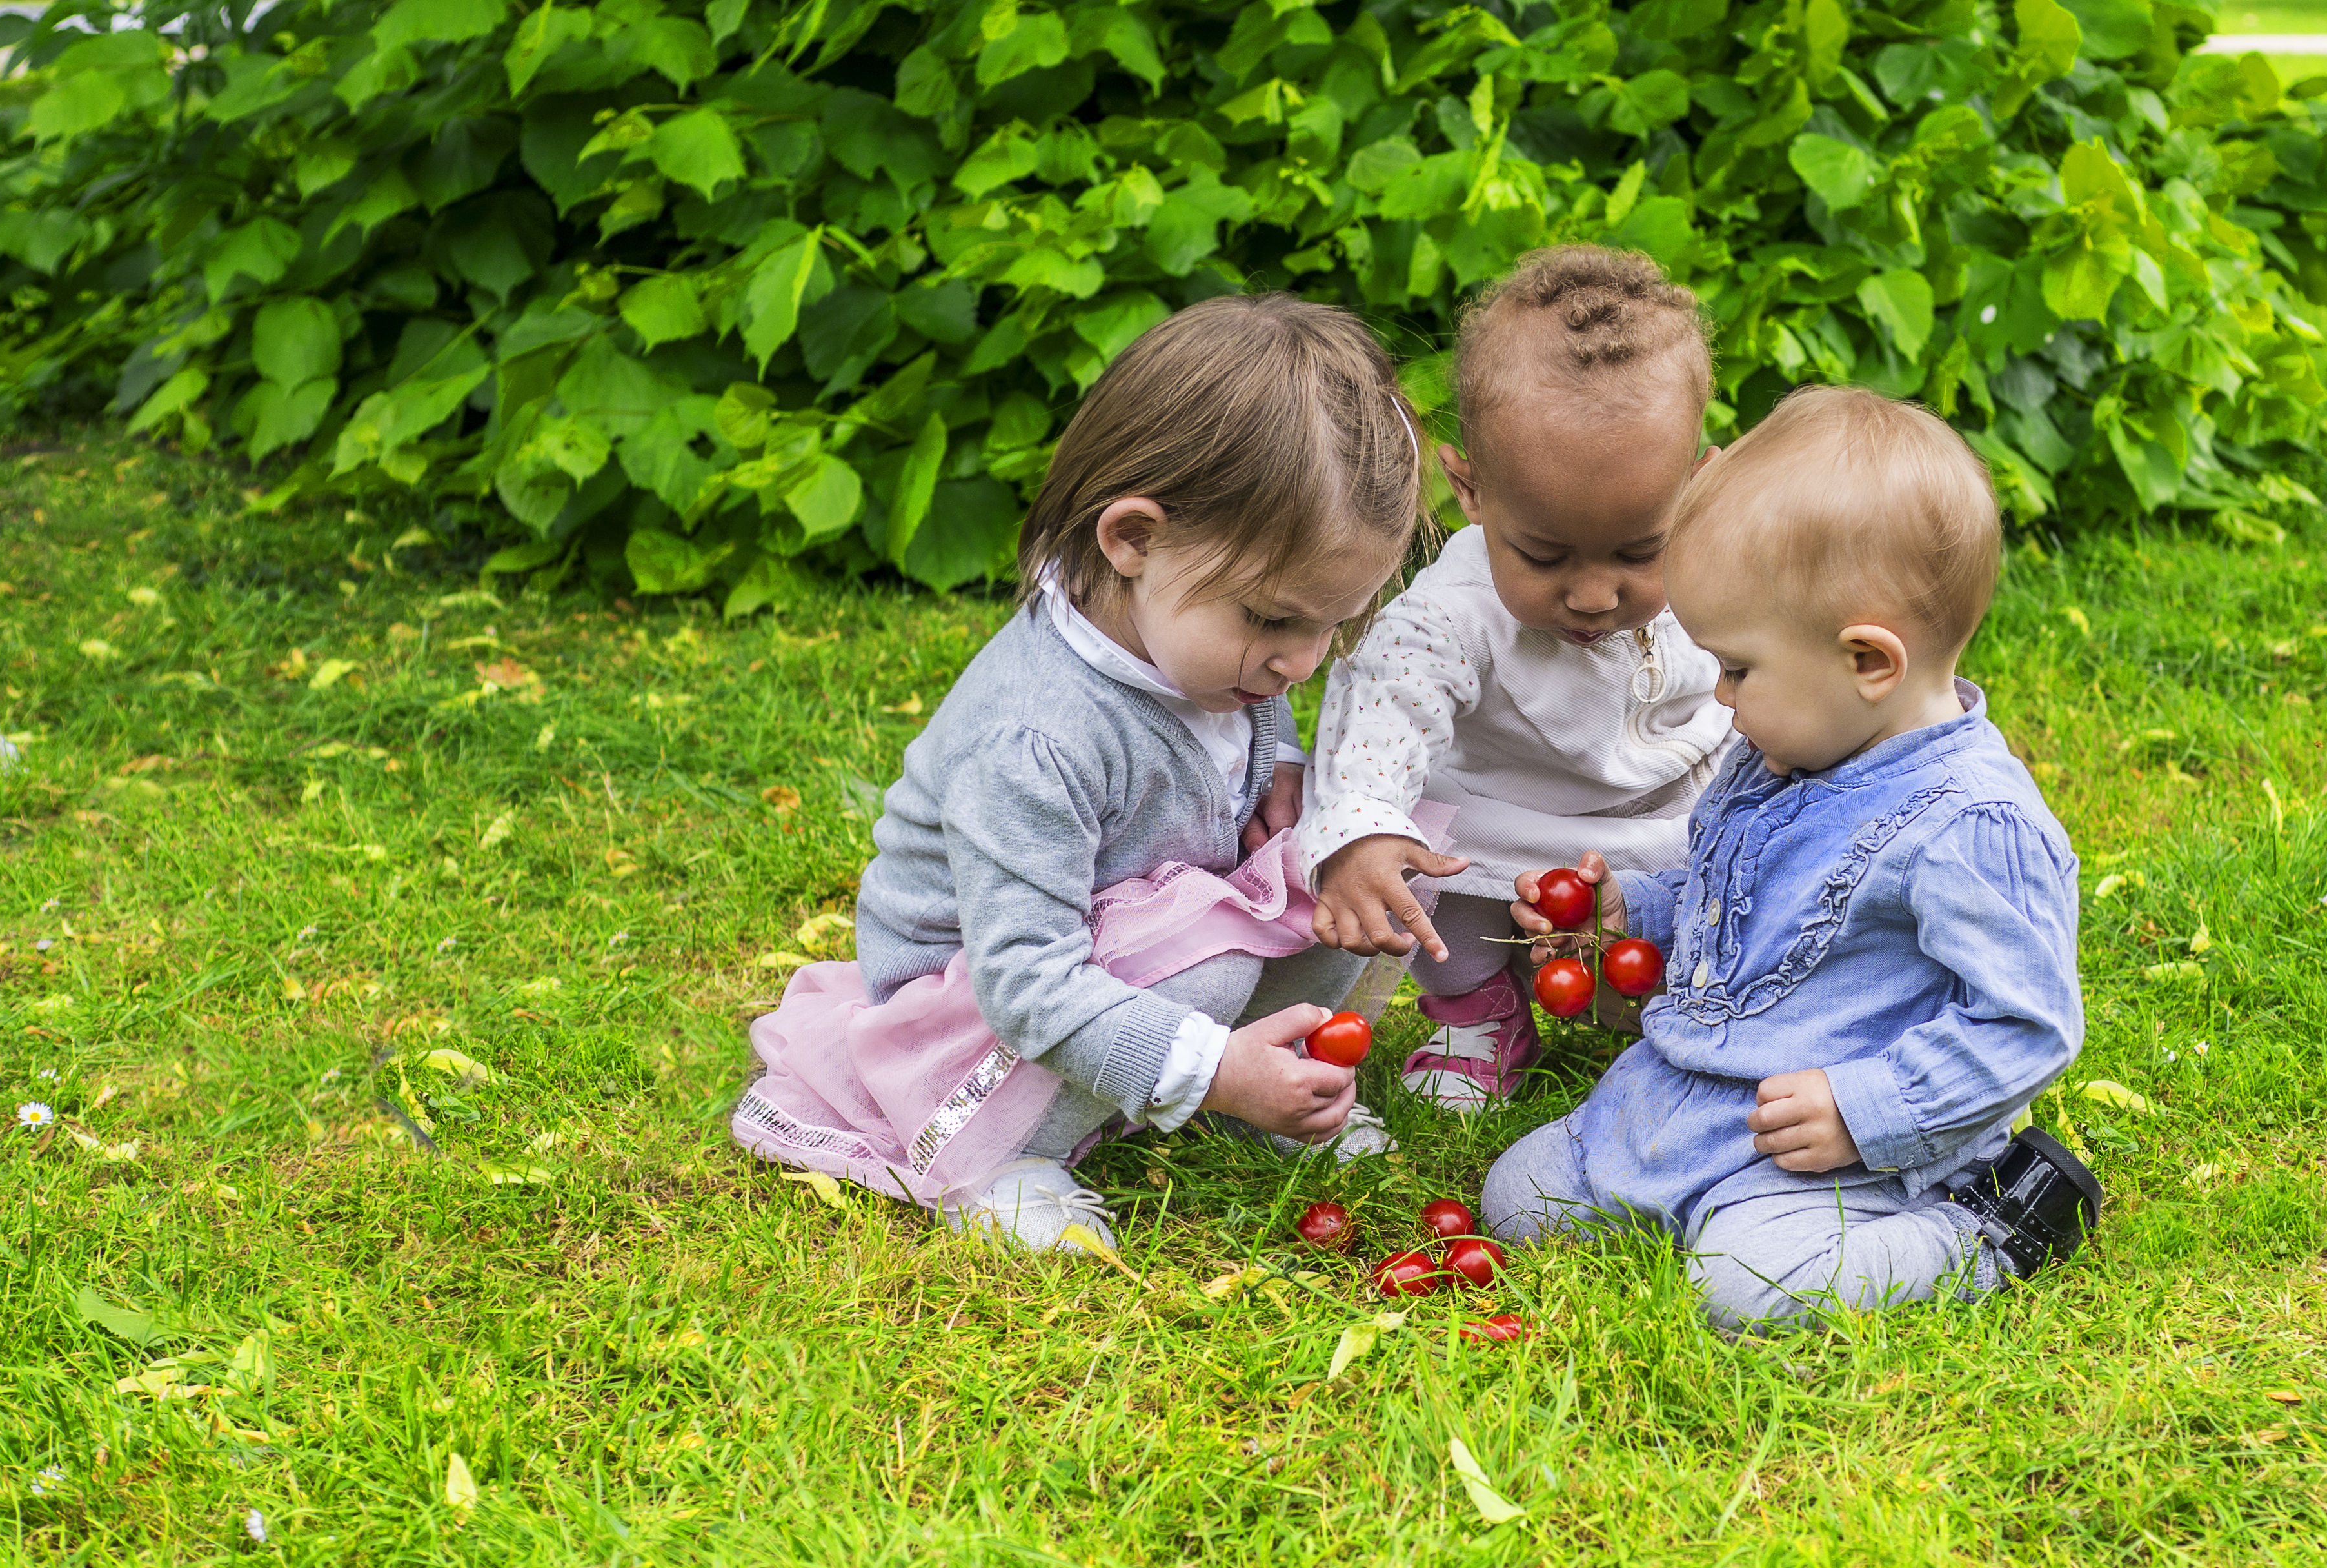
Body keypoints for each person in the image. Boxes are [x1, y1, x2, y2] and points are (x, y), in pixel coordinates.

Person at [731, 294, 1430, 1253]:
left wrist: (1293, 777)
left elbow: (1257, 725)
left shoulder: (1199, 641)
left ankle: (1260, 1081)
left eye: (1333, 625)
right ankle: (1005, 1161)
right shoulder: (1037, 737)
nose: (1301, 664)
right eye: (1274, 621)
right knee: (1214, 973)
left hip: (1142, 922)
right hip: (982, 1006)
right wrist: (1207, 1061)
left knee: (1353, 862)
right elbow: (1026, 982)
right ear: (1133, 539)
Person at [1480, 383, 2099, 1329]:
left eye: (1737, 668)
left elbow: (2027, 1022)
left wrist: (1866, 1108)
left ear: (1868, 662)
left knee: (1747, 1290)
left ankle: (1987, 1230)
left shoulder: (1969, 824)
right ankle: (1684, 1194)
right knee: (1518, 1202)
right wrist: (1631, 914)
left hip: (1828, 1148)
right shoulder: (1786, 750)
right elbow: (1732, 895)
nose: (1721, 698)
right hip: (1686, 1100)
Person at [1299, 246, 1736, 1111]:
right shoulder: (1451, 615)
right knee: (1431, 879)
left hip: (1666, 824)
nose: (1594, 593)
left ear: (1698, 489)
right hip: (1500, 834)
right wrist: (1363, 830)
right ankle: (1476, 1011)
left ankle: (1678, 1004)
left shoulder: (1722, 568)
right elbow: (1379, 713)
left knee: (1731, 891)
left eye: (1639, 551)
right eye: (1543, 553)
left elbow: (1767, 677)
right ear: (1470, 490)